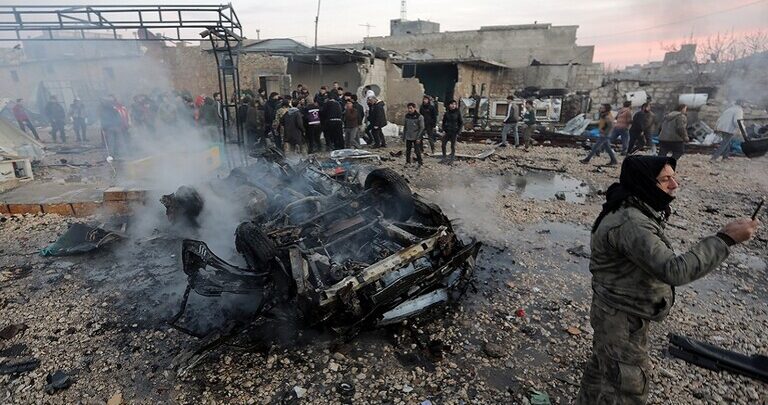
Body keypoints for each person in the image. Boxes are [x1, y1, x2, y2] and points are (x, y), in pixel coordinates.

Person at [575, 155, 758, 405]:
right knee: (626, 386)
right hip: (621, 318)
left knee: (603, 369)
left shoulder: (633, 205)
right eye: (665, 179)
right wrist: (725, 239)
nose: (674, 184)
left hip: (614, 309)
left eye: (674, 177)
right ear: (644, 182)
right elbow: (674, 270)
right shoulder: (632, 223)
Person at [403, 102, 425, 166]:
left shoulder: (419, 117)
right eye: (408, 108)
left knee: (417, 150)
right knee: (408, 150)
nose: (409, 110)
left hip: (416, 136)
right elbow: (405, 126)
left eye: (411, 108)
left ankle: (420, 162)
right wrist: (404, 136)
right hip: (408, 136)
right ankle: (408, 162)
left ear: (414, 108)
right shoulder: (407, 116)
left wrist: (419, 137)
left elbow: (422, 127)